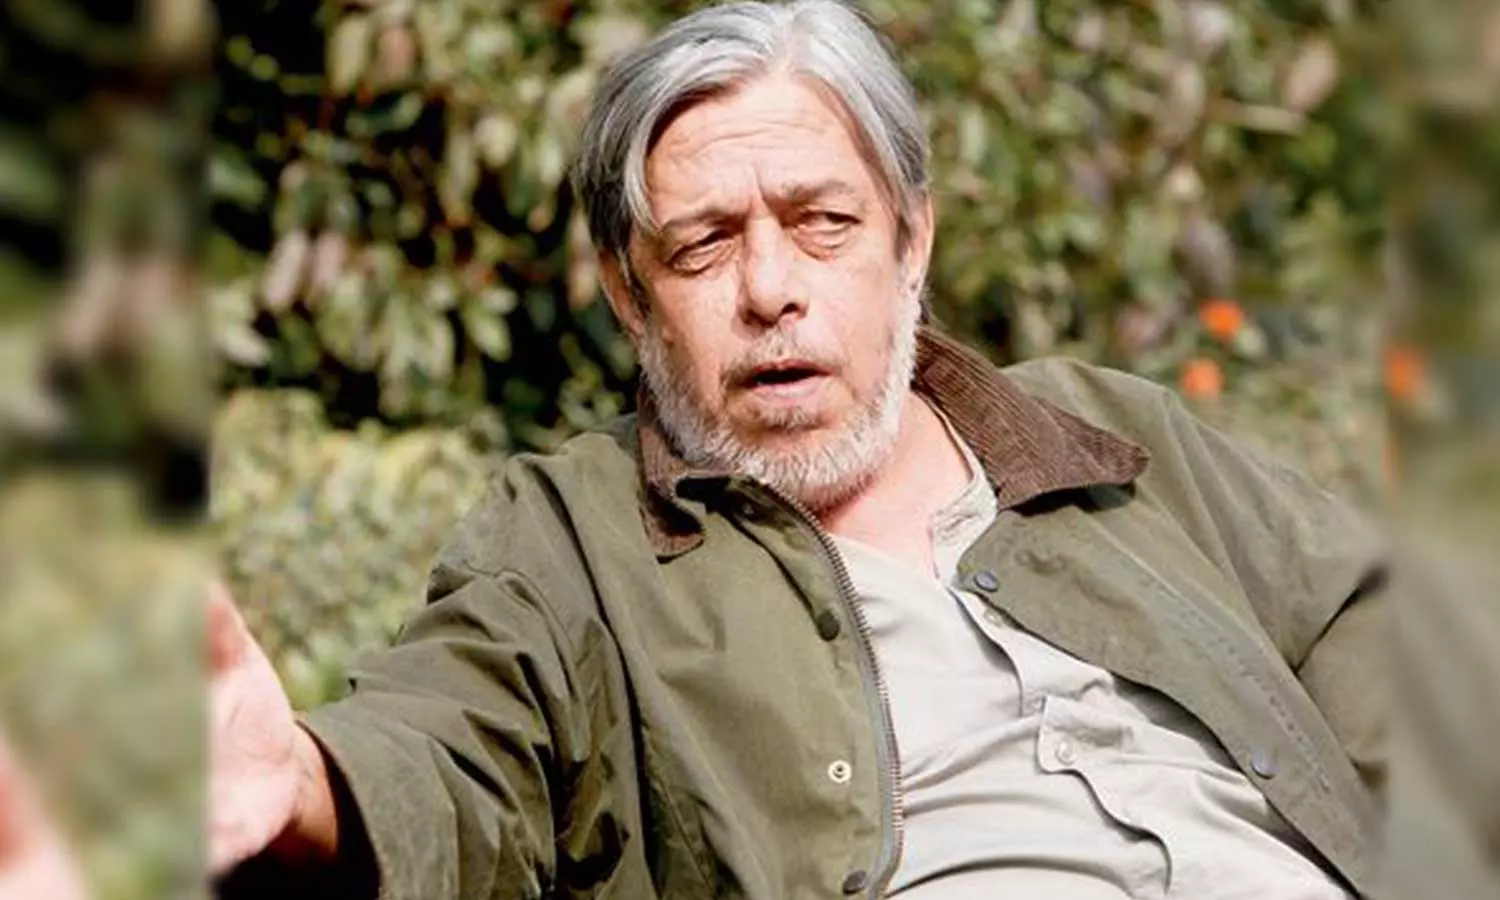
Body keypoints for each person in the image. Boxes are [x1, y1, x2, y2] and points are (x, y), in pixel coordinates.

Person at [209, 1, 1389, 897]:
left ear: (911, 242)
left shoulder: (1110, 434)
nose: (771, 290)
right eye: (703, 246)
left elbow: (1379, 636)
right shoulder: (574, 538)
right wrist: (306, 786)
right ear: (629, 293)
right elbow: (453, 748)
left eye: (824, 223)